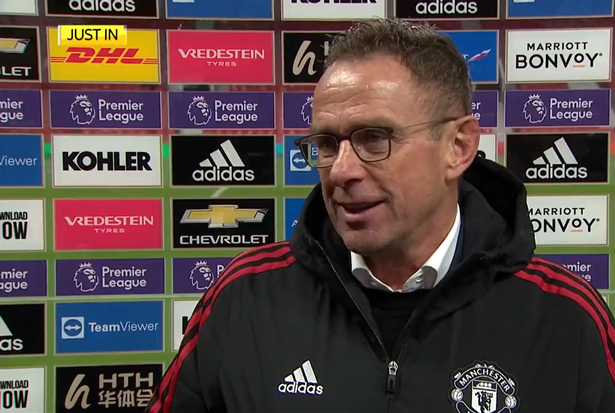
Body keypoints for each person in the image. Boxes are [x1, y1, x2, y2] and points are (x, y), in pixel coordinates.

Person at [146, 18, 615, 413]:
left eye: (375, 138)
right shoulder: (244, 297)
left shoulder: (566, 317)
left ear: (458, 147)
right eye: (326, 144)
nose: (341, 170)